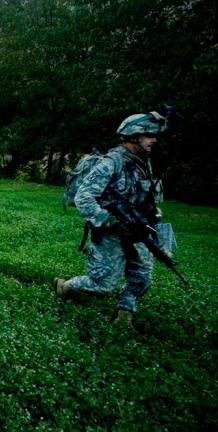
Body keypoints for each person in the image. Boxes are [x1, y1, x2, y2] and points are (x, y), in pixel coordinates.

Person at [53, 111, 168, 327]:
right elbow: (84, 197)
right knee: (102, 285)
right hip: (110, 233)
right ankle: (66, 286)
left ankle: (124, 317)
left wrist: (159, 236)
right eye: (150, 135)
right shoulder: (111, 163)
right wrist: (109, 221)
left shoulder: (144, 163)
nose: (154, 140)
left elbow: (149, 203)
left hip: (138, 230)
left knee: (142, 278)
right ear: (135, 135)